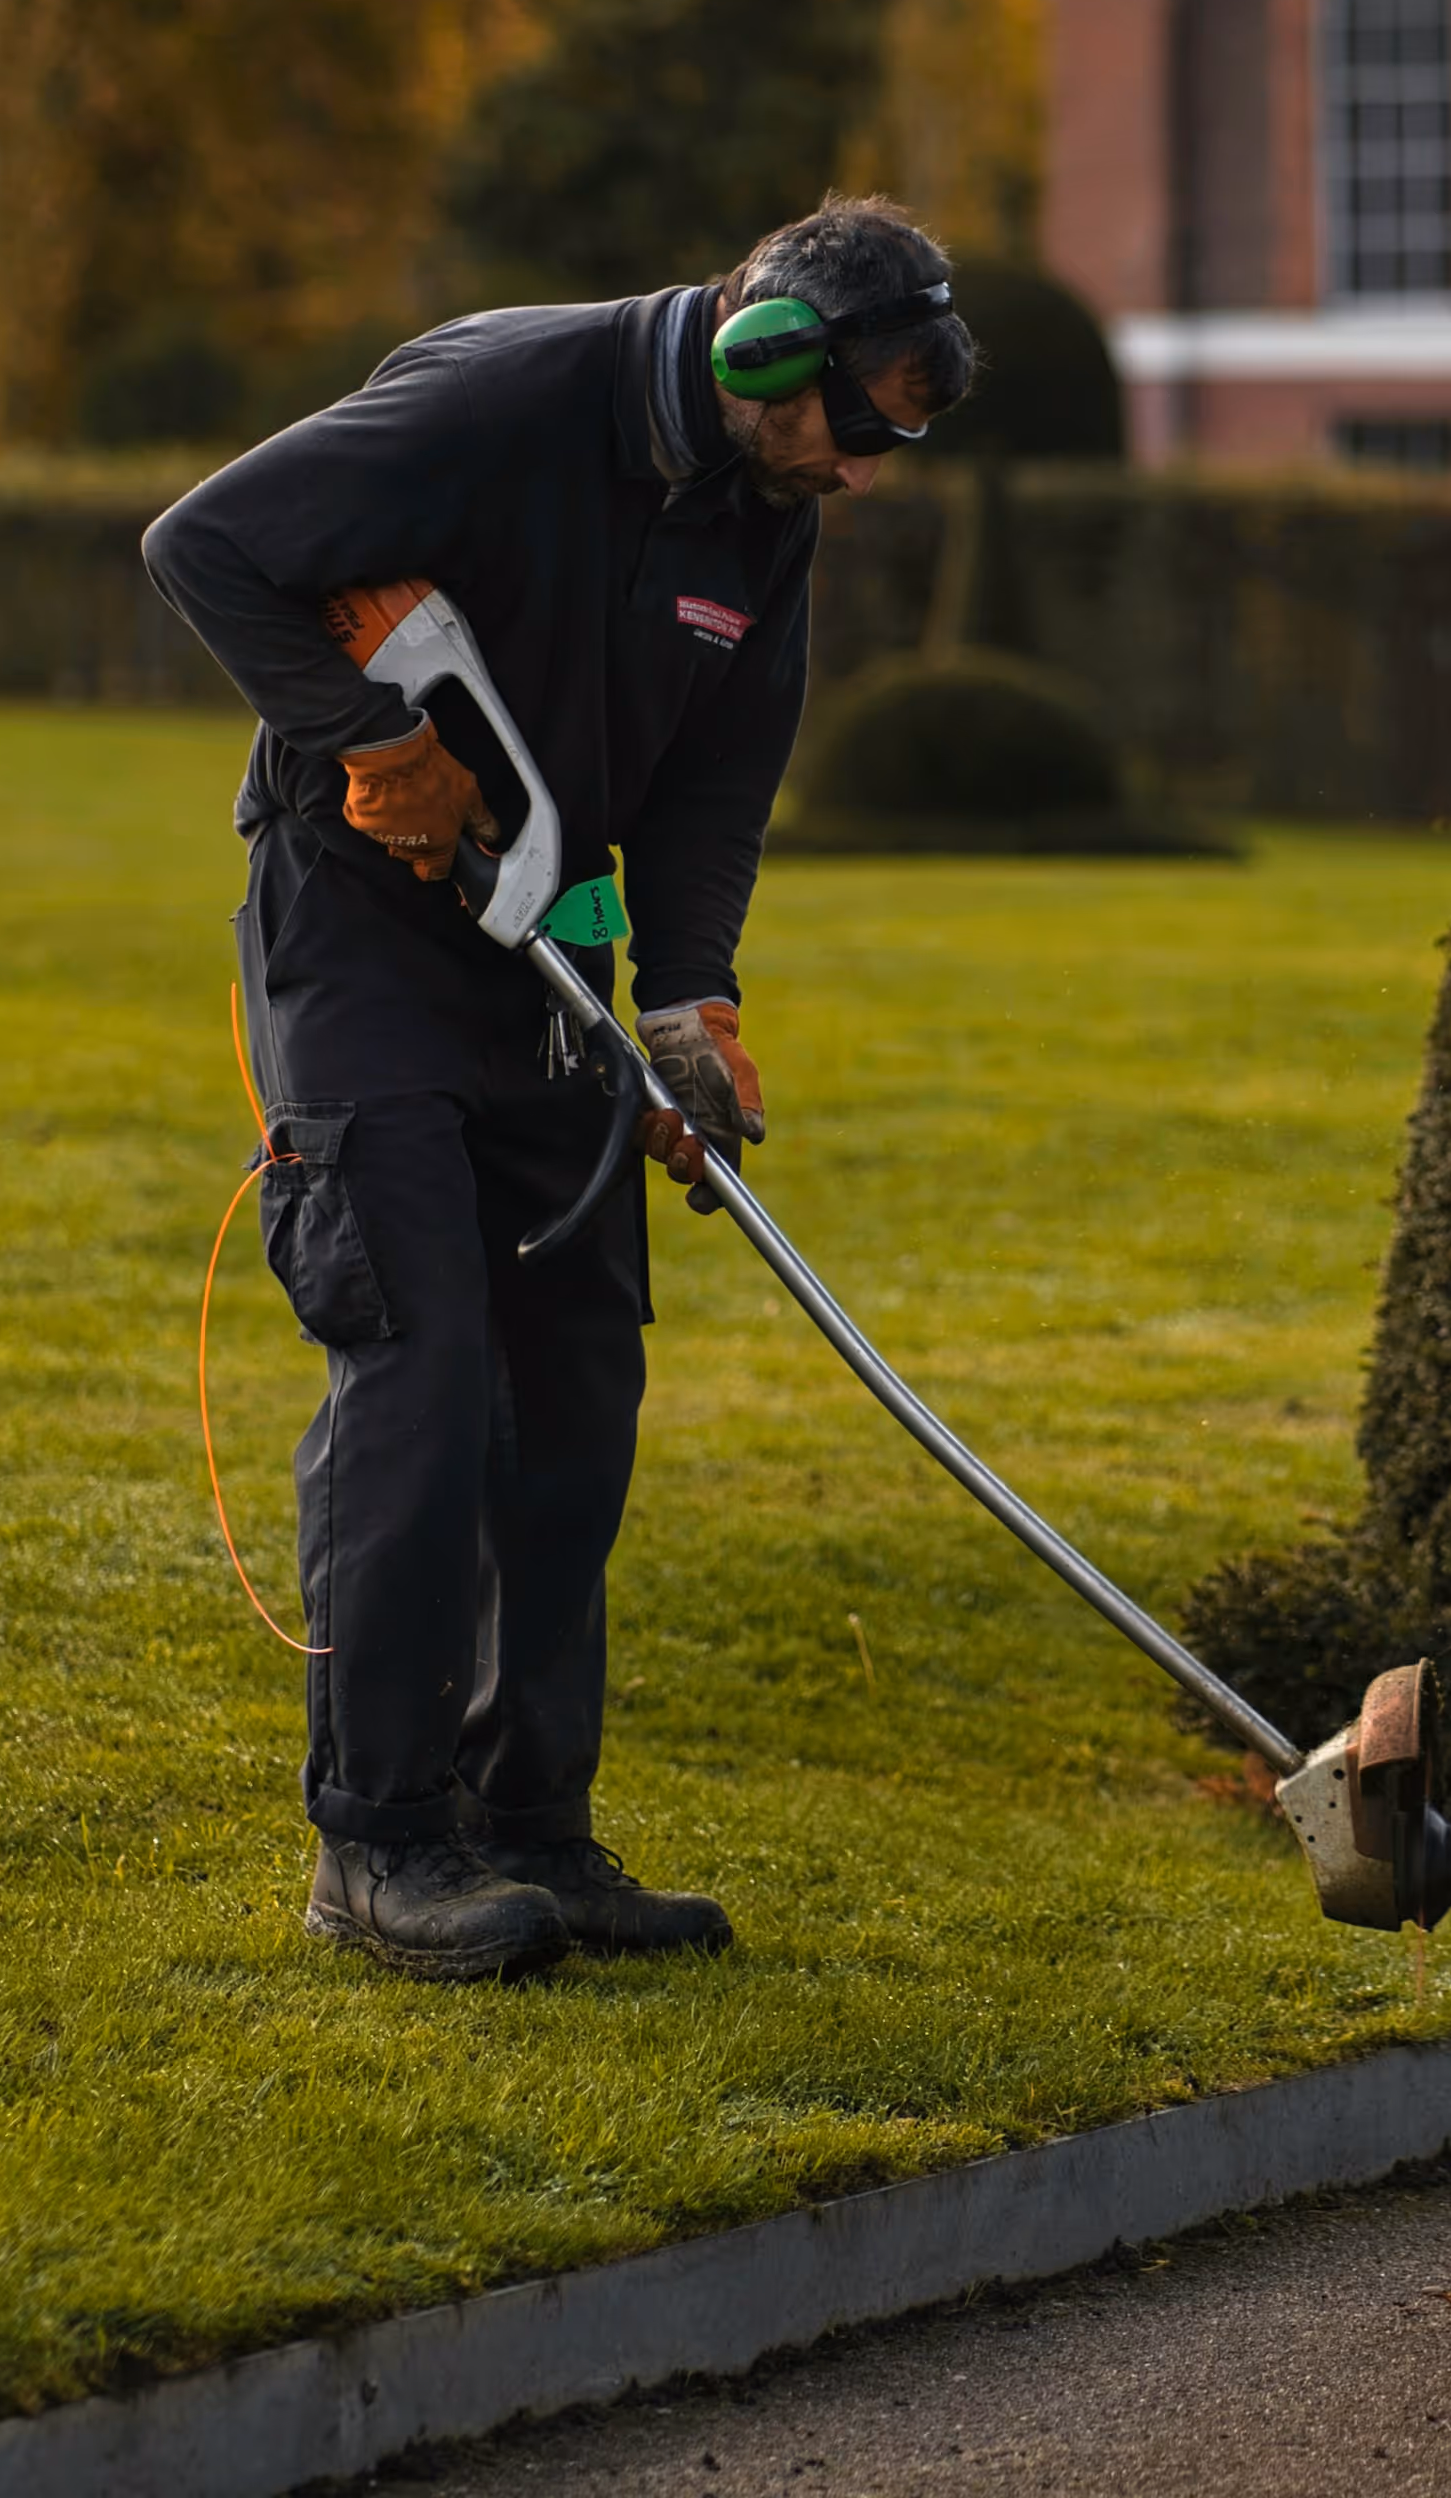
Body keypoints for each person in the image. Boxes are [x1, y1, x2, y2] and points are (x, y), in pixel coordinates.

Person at [144, 196, 981, 1980]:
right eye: (857, 426)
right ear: (765, 350)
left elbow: (715, 787)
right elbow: (203, 544)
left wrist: (690, 1005)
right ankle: (379, 1844)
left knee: (575, 1381)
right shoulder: (504, 396)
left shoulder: (765, 515)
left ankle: (533, 1828)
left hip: (546, 938)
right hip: (360, 930)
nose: (861, 473)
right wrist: (372, 742)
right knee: (423, 1357)